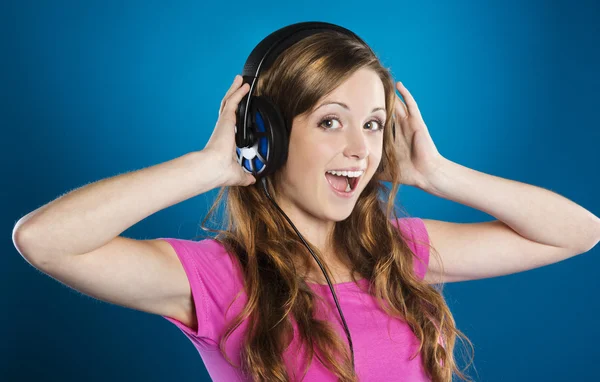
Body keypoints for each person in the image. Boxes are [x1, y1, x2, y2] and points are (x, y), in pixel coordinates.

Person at [12, 26, 600, 382]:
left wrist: (438, 174)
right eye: (329, 122)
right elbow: (44, 239)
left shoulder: (404, 252)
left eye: (372, 125)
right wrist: (213, 165)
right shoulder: (216, 280)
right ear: (266, 135)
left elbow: (577, 232)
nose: (359, 150)